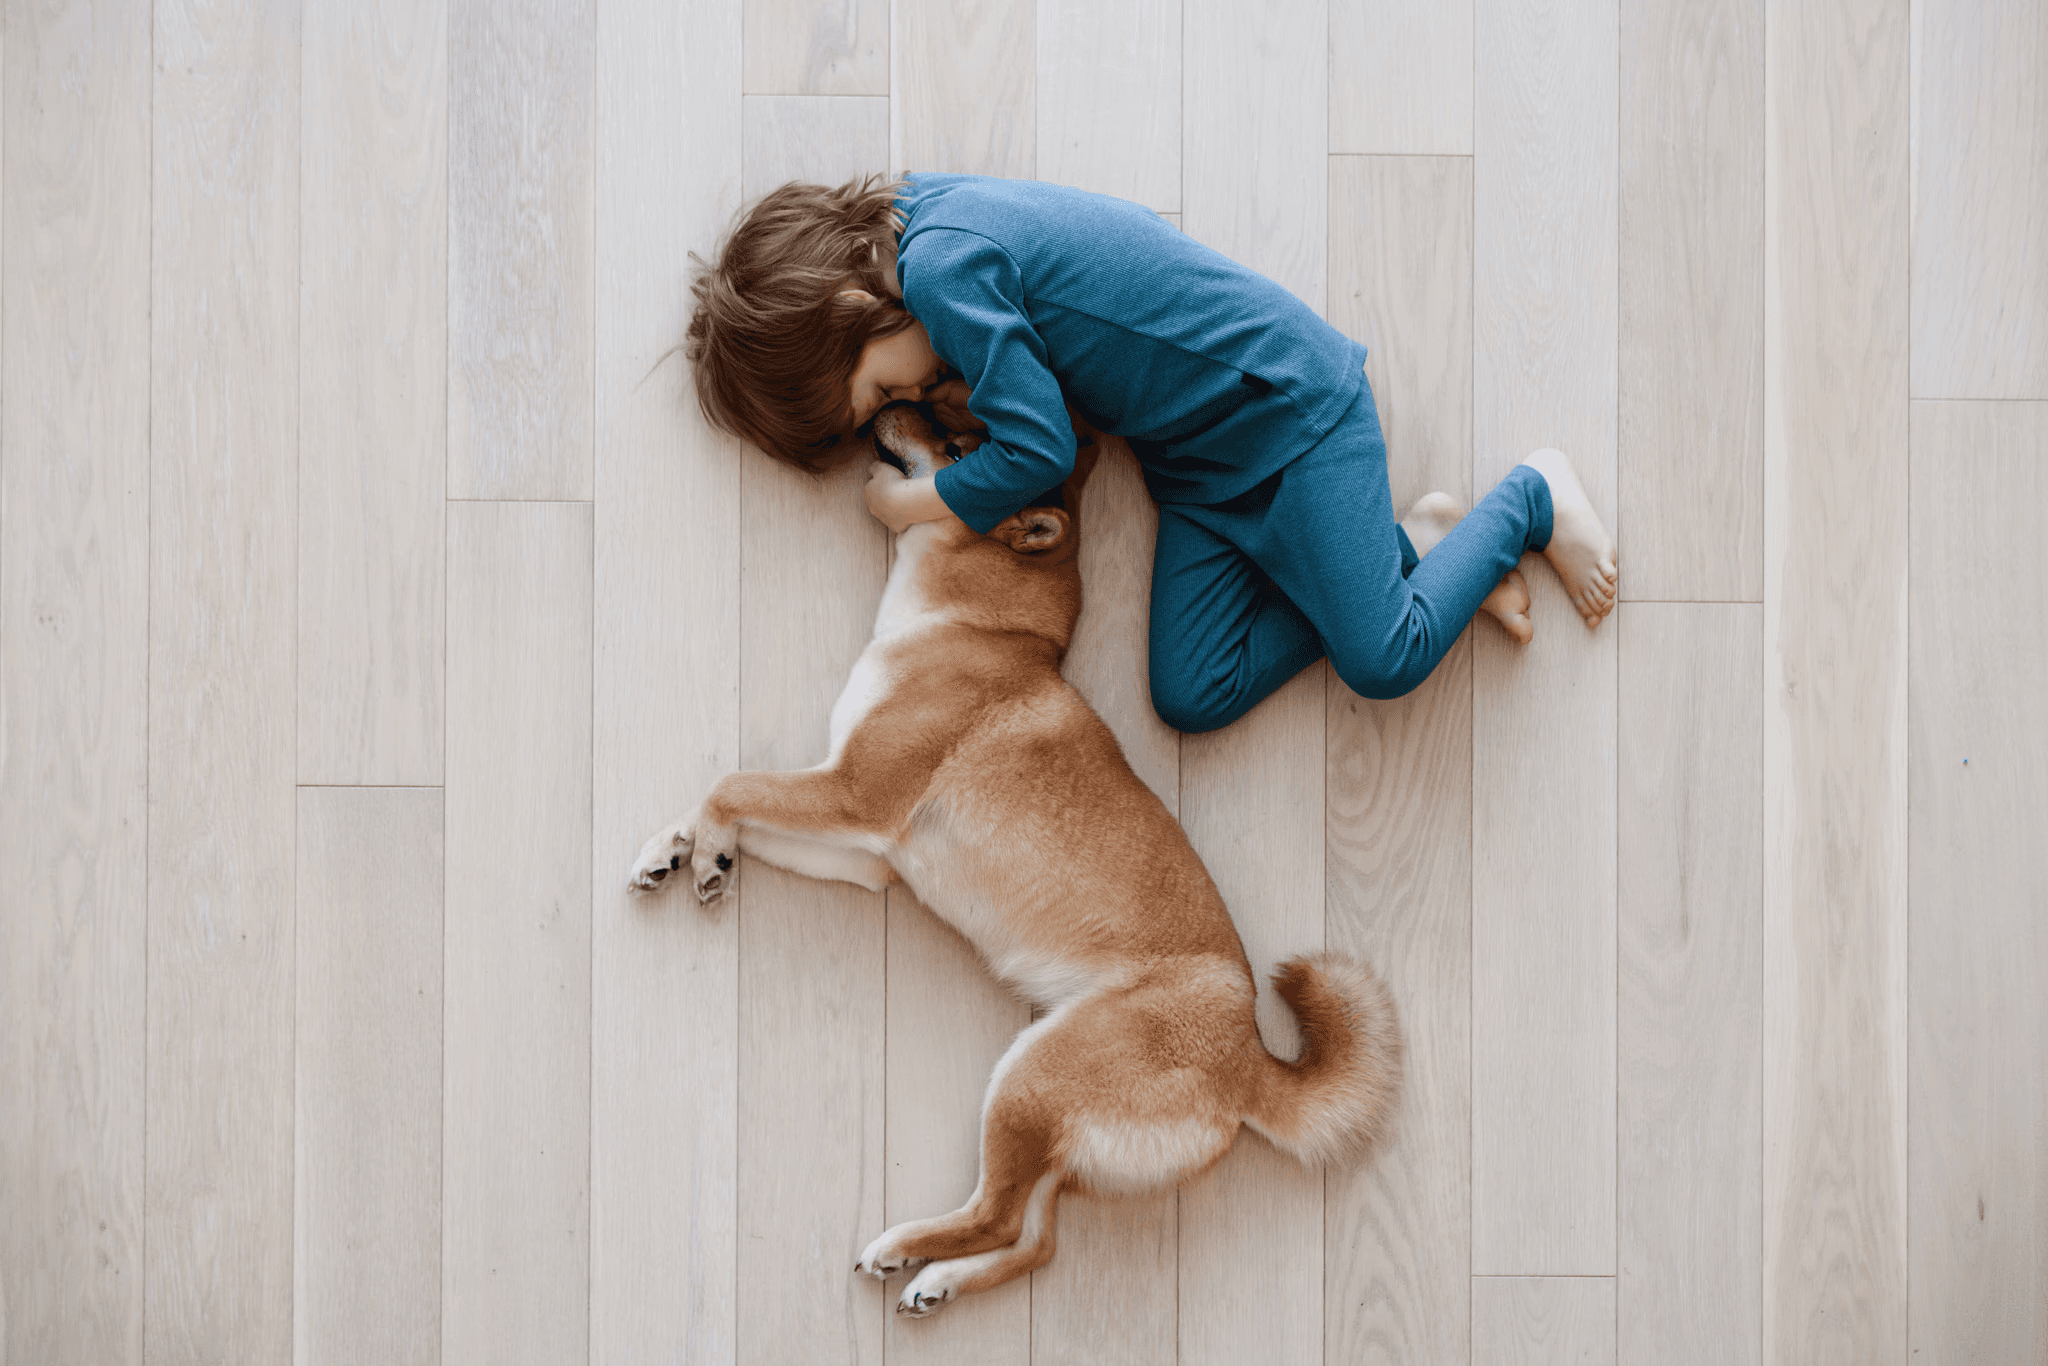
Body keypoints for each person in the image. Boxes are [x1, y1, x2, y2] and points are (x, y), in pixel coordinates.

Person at [683, 173, 1617, 734]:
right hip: (1197, 465)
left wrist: (913, 505)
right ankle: (1413, 545)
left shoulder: (943, 265)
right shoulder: (929, 230)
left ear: (854, 302)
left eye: (885, 391)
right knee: (1191, 692)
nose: (913, 399)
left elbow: (1042, 451)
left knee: (1385, 658)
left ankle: (1527, 500)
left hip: (1291, 410)